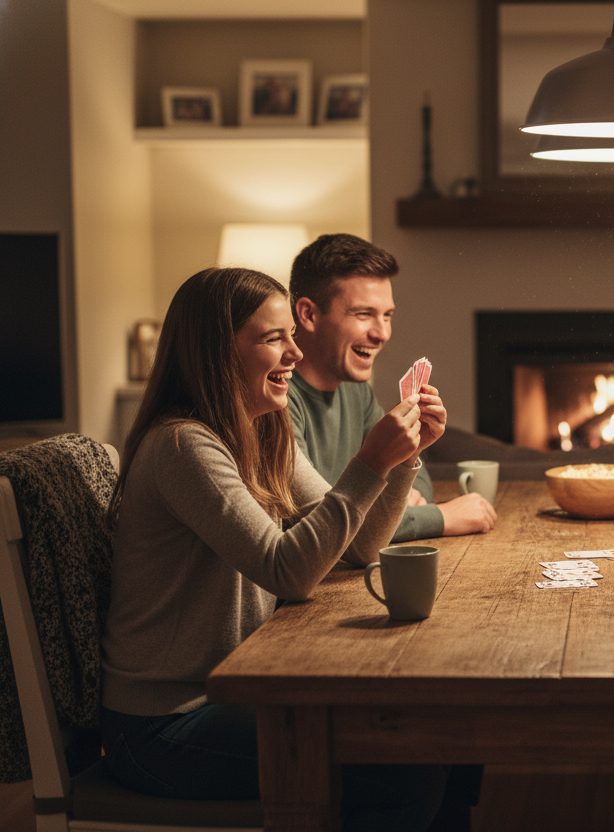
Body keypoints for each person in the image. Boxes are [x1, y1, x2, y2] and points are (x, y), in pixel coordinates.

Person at [100, 267, 448, 831]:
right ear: (216, 351)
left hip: (238, 686)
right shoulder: (183, 445)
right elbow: (288, 571)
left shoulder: (264, 429)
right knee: (408, 766)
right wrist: (370, 463)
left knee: (434, 736)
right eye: (272, 338)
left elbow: (358, 546)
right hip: (166, 724)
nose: (294, 351)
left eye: (292, 334)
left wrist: (404, 458)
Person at [286, 233, 496, 540]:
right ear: (309, 314)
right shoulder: (276, 399)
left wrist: (400, 505)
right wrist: (439, 516)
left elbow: (417, 477)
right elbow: (322, 529)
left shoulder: (356, 391)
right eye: (363, 314)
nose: (382, 333)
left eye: (387, 315)